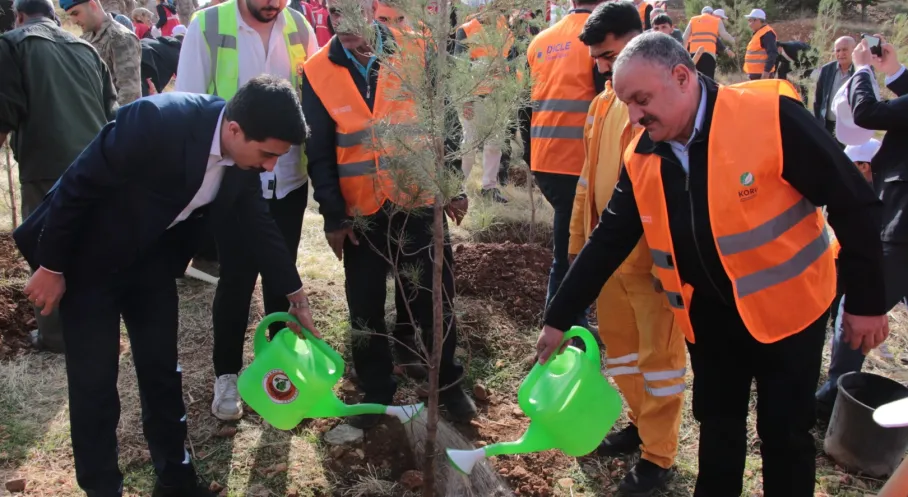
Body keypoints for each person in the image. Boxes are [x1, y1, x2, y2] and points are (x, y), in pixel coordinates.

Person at [538, 31, 888, 497]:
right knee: (718, 429)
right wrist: (558, 318)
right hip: (710, 319)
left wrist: (867, 301)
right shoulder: (644, 155)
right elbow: (608, 241)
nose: (636, 116)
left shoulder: (769, 117)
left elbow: (853, 202)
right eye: (628, 104)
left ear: (682, 77)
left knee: (785, 434)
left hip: (790, 313)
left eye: (642, 100)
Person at [13, 75, 318, 497]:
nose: (270, 166)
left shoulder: (242, 160)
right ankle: (103, 488)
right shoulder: (156, 120)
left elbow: (259, 224)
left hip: (151, 263)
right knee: (95, 382)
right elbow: (78, 185)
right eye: (267, 154)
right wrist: (51, 265)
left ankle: (176, 479)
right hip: (88, 264)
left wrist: (295, 294)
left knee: (162, 372)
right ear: (234, 130)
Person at [302, 0, 477, 429]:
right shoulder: (316, 71)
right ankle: (377, 389)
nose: (345, 23)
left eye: (353, 11)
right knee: (363, 305)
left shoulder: (416, 51)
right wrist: (333, 217)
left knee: (434, 299)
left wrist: (451, 185)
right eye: (336, 13)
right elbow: (320, 152)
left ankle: (448, 385)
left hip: (418, 201)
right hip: (360, 211)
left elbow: (446, 123)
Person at [177, 0, 318, 421]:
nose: (273, 4)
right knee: (237, 279)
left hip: (288, 178)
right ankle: (227, 376)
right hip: (233, 176)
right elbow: (191, 102)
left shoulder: (298, 25)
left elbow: (310, 97)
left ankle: (279, 374)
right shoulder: (209, 25)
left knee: (282, 275)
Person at [572, 4, 684, 494]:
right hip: (610, 262)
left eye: (610, 54)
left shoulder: (661, 104)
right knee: (621, 353)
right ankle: (640, 425)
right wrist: (579, 246)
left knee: (659, 362)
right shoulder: (600, 106)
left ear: (638, 40)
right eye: (598, 60)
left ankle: (659, 456)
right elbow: (585, 183)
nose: (603, 67)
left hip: (651, 264)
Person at [0, 0, 117, 354]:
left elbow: (4, 111)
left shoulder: (12, 43)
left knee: (47, 250)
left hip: (46, 166)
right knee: (91, 246)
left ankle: (55, 336)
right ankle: (100, 325)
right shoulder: (86, 48)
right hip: (96, 163)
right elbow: (111, 111)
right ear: (55, 17)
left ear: (20, 16)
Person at [817, 37, 908, 423]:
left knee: (860, 301)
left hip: (901, 225)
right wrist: (896, 72)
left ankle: (835, 393)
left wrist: (863, 70)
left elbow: (868, 113)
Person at [526, 0, 606, 328]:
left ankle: (572, 321)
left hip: (545, 157)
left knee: (573, 244)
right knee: (571, 250)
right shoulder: (600, 37)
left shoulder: (540, 41)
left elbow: (522, 104)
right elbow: (609, 99)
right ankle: (563, 326)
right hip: (578, 161)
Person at [454, 5, 512, 203]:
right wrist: (465, 100)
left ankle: (489, 186)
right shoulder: (467, 29)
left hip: (499, 96)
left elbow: (513, 61)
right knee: (468, 144)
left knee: (495, 144)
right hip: (475, 97)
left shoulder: (506, 29)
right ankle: (457, 188)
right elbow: (459, 68)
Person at [64, 0, 142, 106]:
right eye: (70, 16)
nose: (73, 21)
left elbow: (130, 93)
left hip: (109, 119)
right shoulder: (86, 37)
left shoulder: (121, 38)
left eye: (75, 13)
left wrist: (112, 121)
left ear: (92, 5)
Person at [815, 36, 855, 139]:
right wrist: (818, 122)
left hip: (850, 126)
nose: (841, 53)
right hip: (827, 125)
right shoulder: (827, 70)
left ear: (853, 50)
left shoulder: (860, 71)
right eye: (838, 50)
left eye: (845, 49)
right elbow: (818, 99)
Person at [682, 5, 734, 80]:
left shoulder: (693, 20)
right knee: (708, 79)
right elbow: (724, 34)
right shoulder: (716, 20)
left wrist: (685, 52)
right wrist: (733, 41)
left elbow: (685, 37)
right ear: (711, 13)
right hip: (709, 55)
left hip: (694, 54)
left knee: (695, 79)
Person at [141, 26, 184, 95]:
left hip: (135, 52)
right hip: (146, 61)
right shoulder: (176, 53)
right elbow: (184, 80)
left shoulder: (162, 43)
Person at [743, 8, 777, 80]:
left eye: (750, 21)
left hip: (762, 76)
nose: (749, 24)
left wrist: (766, 72)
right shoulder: (759, 33)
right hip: (756, 75)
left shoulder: (767, 34)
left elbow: (772, 53)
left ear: (758, 20)